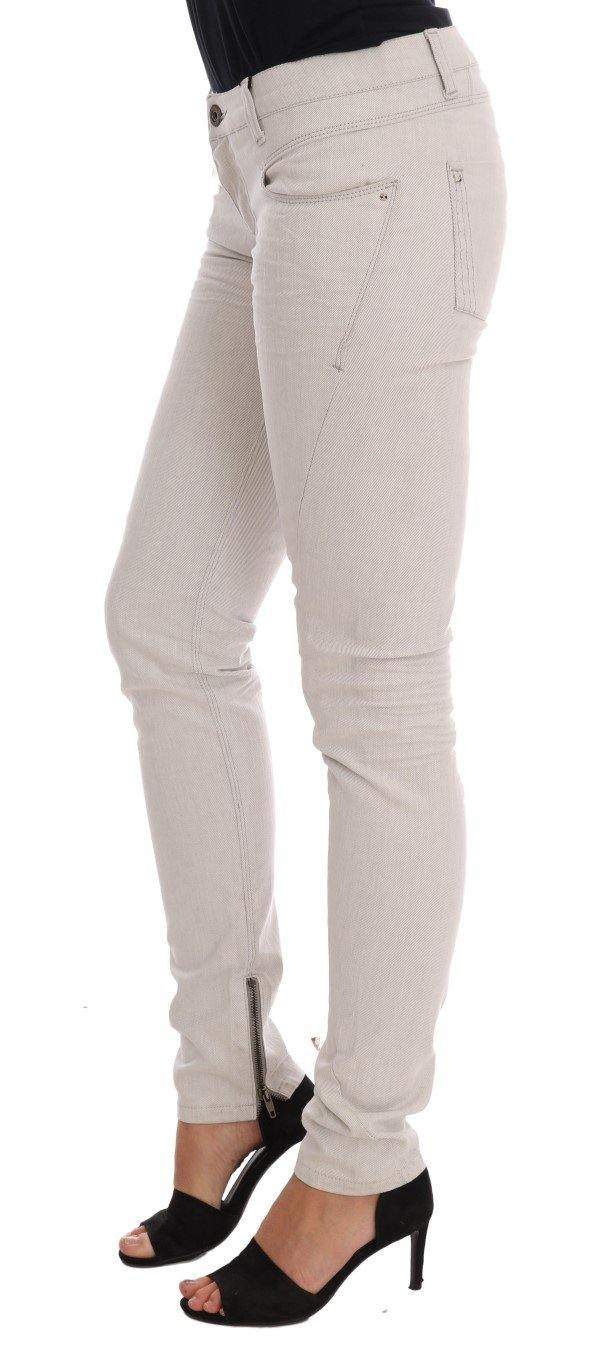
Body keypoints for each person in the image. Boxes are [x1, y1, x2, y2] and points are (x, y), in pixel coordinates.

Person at [106, 0, 505, 1326]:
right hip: (258, 155)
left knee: (377, 687)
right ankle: (232, 1078)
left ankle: (365, 1154)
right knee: (165, 617)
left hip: (371, 149)